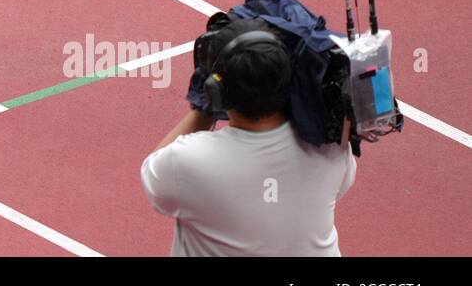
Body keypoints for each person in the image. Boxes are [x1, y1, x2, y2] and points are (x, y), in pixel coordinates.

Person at [141, 21, 357, 255]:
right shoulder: (331, 145)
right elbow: (341, 185)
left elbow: (154, 178)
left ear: (216, 91)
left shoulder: (187, 160)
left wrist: (202, 111)